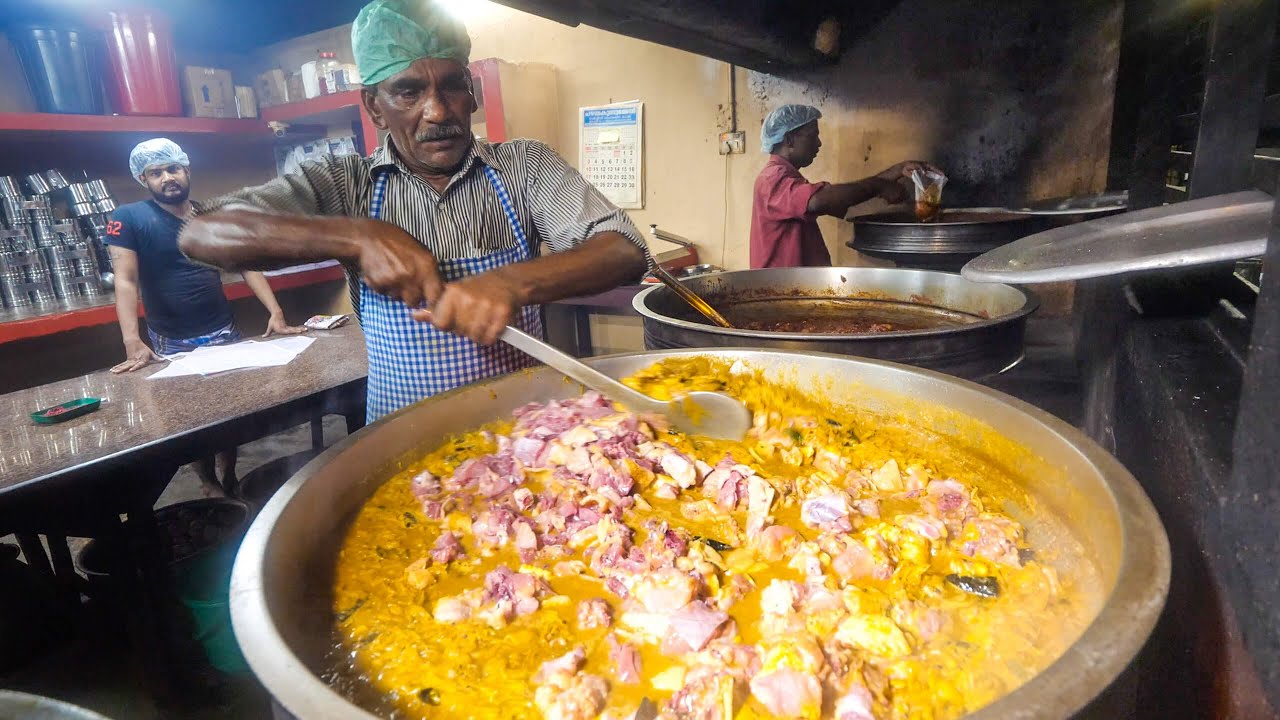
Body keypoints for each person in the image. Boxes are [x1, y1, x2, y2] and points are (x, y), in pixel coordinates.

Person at [179, 0, 649, 422]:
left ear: (474, 94)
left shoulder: (524, 166)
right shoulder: (346, 183)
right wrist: (356, 237)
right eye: (408, 92)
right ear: (374, 107)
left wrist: (509, 283)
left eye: (452, 87)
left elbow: (623, 250)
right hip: (402, 437)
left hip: (520, 429)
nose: (438, 112)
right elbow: (202, 235)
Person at [105, 138, 306, 494]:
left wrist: (275, 311)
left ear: (186, 170)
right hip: (171, 336)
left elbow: (246, 265)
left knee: (230, 411)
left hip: (221, 329)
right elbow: (125, 280)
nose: (167, 177)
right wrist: (132, 339)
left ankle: (228, 472)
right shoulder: (129, 219)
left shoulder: (210, 216)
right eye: (156, 172)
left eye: (173, 168)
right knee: (191, 419)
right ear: (143, 179)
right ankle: (207, 479)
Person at [750, 104, 943, 269]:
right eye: (813, 136)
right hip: (783, 294)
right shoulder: (773, 178)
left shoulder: (787, 178)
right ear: (789, 139)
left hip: (795, 289)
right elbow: (820, 200)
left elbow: (836, 197)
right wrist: (879, 186)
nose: (819, 143)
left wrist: (895, 171)